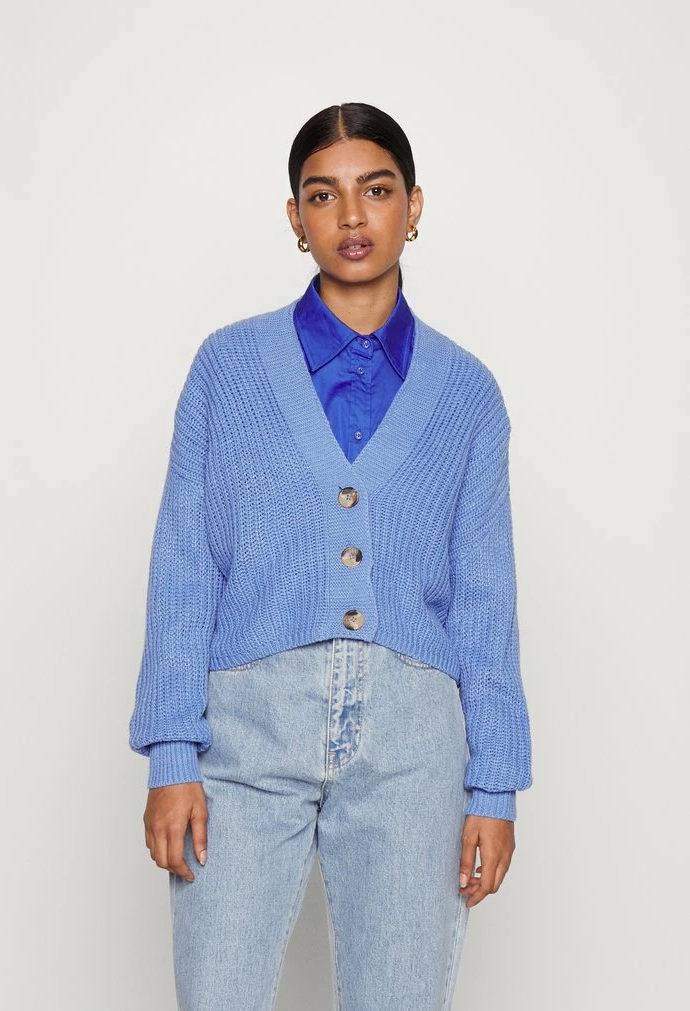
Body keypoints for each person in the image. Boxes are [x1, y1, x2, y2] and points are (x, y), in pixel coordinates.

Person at [129, 101, 533, 1010]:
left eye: (376, 190)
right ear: (295, 216)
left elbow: (486, 601)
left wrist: (495, 787)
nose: (351, 216)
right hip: (245, 731)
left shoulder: (469, 394)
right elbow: (184, 565)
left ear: (413, 205)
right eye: (323, 195)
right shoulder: (227, 369)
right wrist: (171, 755)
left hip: (413, 745)